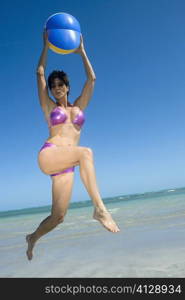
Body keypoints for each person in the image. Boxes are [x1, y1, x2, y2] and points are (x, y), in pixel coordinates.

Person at [26, 30, 120, 261]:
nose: (56, 88)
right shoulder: (50, 108)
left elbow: (92, 79)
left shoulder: (78, 107)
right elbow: (39, 73)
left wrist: (81, 51)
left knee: (58, 216)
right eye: (53, 85)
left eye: (60, 84)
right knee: (86, 152)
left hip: (66, 165)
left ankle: (32, 238)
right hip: (50, 154)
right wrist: (46, 46)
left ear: (67, 87)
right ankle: (100, 209)